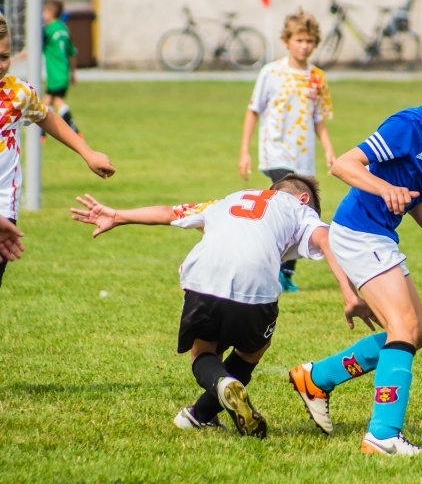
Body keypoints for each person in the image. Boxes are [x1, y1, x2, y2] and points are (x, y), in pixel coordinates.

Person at [287, 47, 422, 456]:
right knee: (402, 328)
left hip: (379, 236)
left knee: (418, 332)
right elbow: (343, 165)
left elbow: (421, 203)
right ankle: (382, 436)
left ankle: (318, 378)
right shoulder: (408, 126)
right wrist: (386, 189)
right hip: (358, 232)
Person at [70, 174, 376, 438]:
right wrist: (349, 295)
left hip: (202, 277)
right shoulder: (299, 208)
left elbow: (169, 212)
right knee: (251, 351)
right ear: (303, 198)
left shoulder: (228, 200)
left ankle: (202, 411)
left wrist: (117, 215)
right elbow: (325, 239)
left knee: (204, 354)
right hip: (256, 288)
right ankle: (215, 398)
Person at [0, 13, 115, 288]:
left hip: (4, 209)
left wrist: (87, 152)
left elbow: (47, 117)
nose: (0, 65)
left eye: (4, 56)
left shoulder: (17, 94)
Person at [238, 9, 336, 294]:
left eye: (309, 41)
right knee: (285, 210)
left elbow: (319, 119)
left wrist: (329, 151)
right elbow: (252, 111)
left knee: (303, 214)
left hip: (302, 159)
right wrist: (244, 151)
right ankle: (274, 270)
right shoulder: (271, 73)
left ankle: (286, 273)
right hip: (275, 154)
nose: (304, 46)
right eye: (299, 40)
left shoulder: (317, 78)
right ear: (286, 41)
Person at [13, 0, 82, 135]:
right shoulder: (64, 29)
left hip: (55, 73)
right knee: (47, 101)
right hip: (63, 72)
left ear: (50, 13)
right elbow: (73, 53)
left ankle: (74, 130)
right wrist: (72, 73)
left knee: (57, 102)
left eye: (44, 11)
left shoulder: (48, 31)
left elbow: (33, 48)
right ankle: (43, 134)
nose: (43, 14)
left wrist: (15, 58)